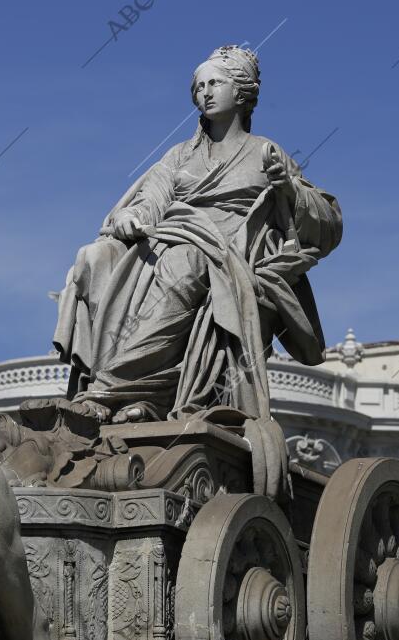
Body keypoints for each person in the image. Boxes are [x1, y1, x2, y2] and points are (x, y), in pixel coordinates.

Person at [54, 45, 342, 426]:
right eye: (199, 85)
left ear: (241, 92)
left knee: (183, 261)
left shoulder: (265, 153)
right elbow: (151, 201)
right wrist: (130, 216)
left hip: (233, 252)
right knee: (94, 256)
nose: (204, 92)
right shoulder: (179, 156)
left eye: (215, 83)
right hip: (174, 235)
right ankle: (146, 395)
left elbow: (327, 225)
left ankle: (110, 389)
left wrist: (288, 188)